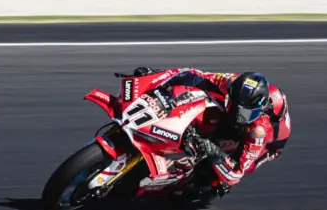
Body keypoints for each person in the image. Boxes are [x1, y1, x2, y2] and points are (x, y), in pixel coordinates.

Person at [123, 66, 291, 202]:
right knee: (205, 111)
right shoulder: (229, 82)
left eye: (243, 113)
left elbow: (236, 172)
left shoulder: (260, 130)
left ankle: (202, 185)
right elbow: (191, 74)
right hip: (245, 117)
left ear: (258, 110)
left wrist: (214, 152)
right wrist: (155, 75)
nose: (236, 115)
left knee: (223, 175)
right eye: (233, 105)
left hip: (268, 146)